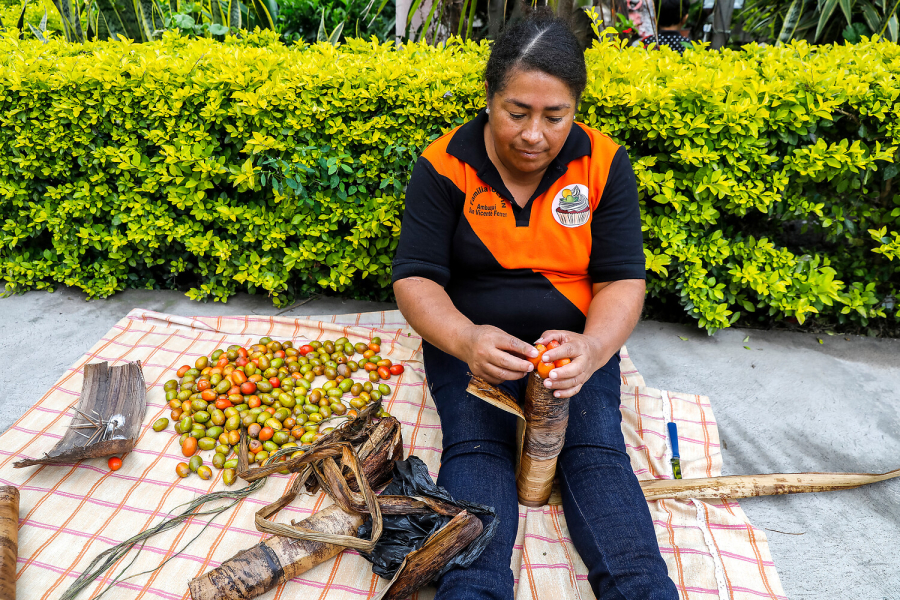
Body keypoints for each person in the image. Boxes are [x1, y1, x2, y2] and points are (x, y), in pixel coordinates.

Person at [391, 13, 678, 600]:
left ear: (576, 108)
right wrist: (466, 340)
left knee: (596, 452)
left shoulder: (603, 163)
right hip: (470, 344)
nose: (534, 135)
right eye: (517, 112)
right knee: (477, 449)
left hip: (572, 346)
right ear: (489, 97)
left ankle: (644, 590)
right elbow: (416, 279)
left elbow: (622, 279)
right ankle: (471, 591)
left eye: (555, 116)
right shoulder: (443, 164)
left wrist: (593, 348)